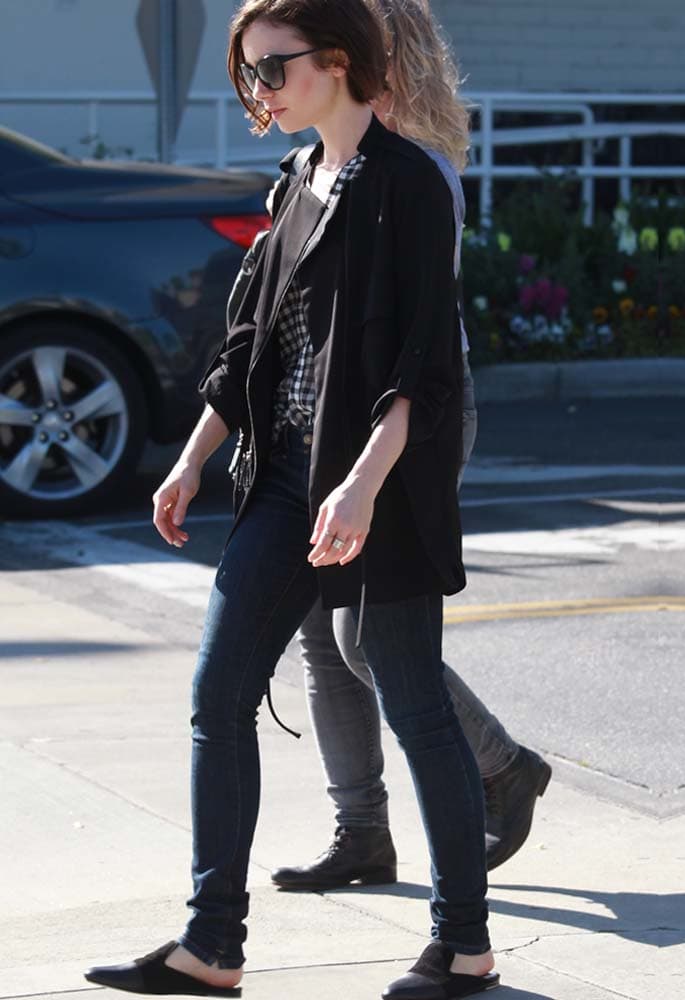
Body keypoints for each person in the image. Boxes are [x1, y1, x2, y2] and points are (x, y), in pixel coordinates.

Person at [85, 0, 500, 995]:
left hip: (377, 483)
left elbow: (425, 366)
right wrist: (191, 458)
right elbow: (249, 348)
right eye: (246, 72)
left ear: (340, 61)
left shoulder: (409, 182)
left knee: (414, 704)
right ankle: (211, 946)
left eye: (272, 69)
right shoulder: (296, 180)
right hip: (280, 480)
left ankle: (465, 944)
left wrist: (362, 485)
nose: (257, 90)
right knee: (218, 696)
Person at [271, 0, 551, 894]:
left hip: (412, 415)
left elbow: (411, 338)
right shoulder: (323, 159)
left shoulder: (416, 169)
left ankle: (502, 766)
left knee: (368, 638)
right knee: (321, 635)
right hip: (327, 416)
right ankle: (361, 831)